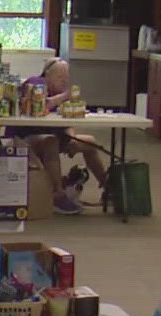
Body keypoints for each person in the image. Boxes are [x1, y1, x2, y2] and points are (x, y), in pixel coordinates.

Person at [12, 57, 110, 215]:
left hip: (54, 137)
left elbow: (66, 122)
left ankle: (108, 187)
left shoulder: (61, 95)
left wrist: (72, 136)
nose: (64, 81)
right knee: (51, 141)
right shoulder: (36, 83)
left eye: (66, 78)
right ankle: (58, 194)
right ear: (47, 74)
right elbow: (42, 104)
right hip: (25, 138)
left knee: (89, 142)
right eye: (60, 77)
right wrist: (64, 97)